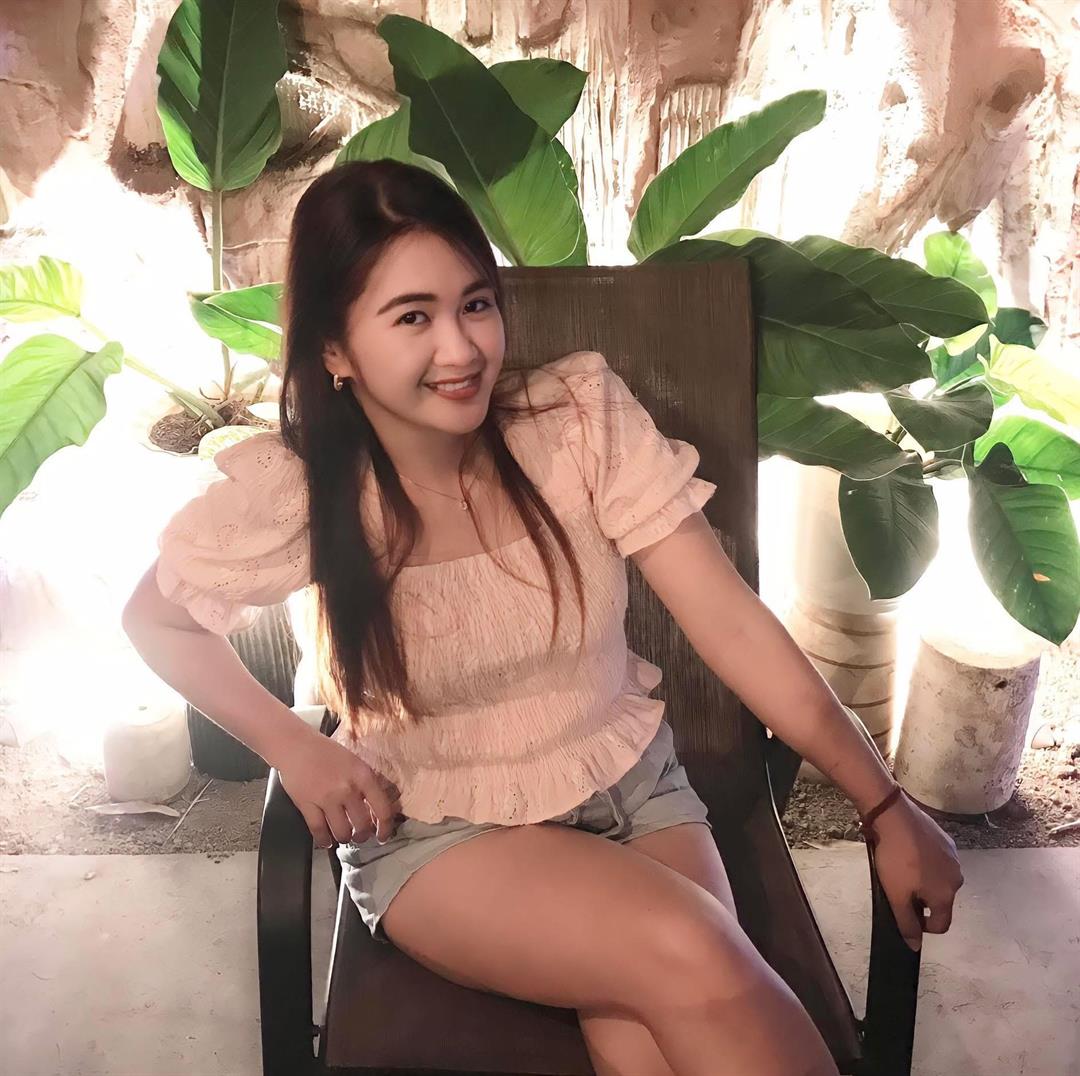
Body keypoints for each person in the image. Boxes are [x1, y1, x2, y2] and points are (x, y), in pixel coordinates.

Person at [122, 159, 962, 1076]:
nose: (461, 349)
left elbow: (730, 623)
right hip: (440, 827)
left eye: (475, 304)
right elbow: (156, 621)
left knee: (650, 1042)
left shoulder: (574, 422)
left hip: (633, 786)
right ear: (335, 349)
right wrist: (295, 745)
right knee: (695, 950)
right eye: (413, 317)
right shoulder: (303, 493)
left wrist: (884, 803)